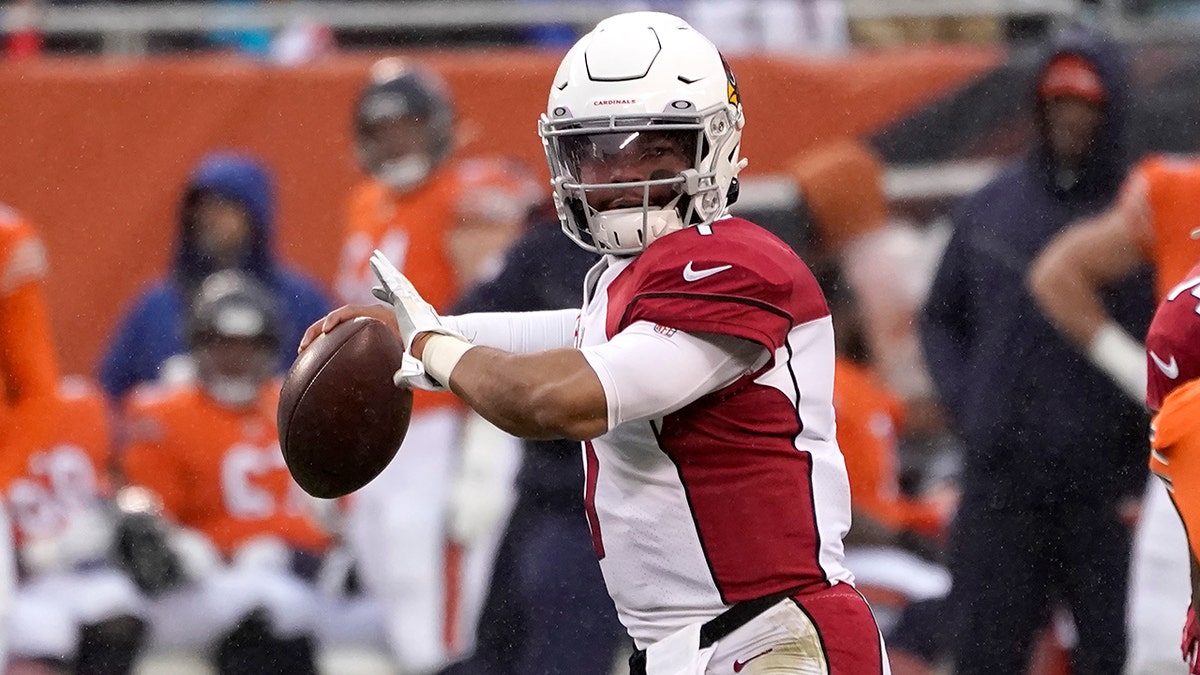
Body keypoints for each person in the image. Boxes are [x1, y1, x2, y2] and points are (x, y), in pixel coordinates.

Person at [304, 11, 888, 674]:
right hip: (694, 647)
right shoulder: (627, 276)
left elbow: (561, 399)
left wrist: (438, 351)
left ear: (712, 144)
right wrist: (414, 332)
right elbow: (568, 331)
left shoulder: (734, 264)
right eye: (597, 150)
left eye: (654, 149)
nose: (621, 175)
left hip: (775, 639)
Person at [921, 26, 1150, 674]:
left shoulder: (1137, 213)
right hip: (1004, 482)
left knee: (1120, 651)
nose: (1071, 119)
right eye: (1058, 104)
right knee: (986, 651)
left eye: (1086, 106)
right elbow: (941, 317)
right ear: (1038, 107)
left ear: (1111, 112)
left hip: (1108, 483)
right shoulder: (991, 209)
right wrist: (973, 405)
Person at [334, 59, 524, 674]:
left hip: (444, 421)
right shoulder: (365, 203)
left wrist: (487, 442)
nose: (397, 142)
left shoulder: (467, 200)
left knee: (438, 609)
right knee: (389, 588)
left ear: (439, 127)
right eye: (383, 129)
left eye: (410, 125)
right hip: (379, 424)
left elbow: (497, 321)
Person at [119, 270, 380, 674]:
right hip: (213, 582)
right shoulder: (162, 414)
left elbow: (344, 516)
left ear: (271, 350)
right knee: (260, 607)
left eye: (249, 348)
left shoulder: (302, 404)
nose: (235, 362)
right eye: (223, 346)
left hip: (306, 575)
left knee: (394, 615)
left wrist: (310, 554)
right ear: (196, 346)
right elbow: (155, 535)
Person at [436, 202, 626, 675]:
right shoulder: (549, 246)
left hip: (621, 500)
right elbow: (464, 327)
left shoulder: (687, 265)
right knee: (497, 651)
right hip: (547, 492)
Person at [1027, 156, 1200, 674]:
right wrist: (1139, 375)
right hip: (1189, 453)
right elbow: (1057, 274)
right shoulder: (1177, 189)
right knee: (1162, 657)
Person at [98, 150, 332, 402]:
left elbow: (333, 388)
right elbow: (110, 396)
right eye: (202, 209)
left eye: (225, 207)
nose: (210, 219)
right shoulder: (156, 307)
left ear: (255, 216)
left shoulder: (301, 301)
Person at [2, 376, 148, 674]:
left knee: (118, 608)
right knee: (41, 632)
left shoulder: (82, 404)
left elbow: (114, 479)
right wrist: (27, 557)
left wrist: (111, 516)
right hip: (13, 586)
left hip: (72, 572)